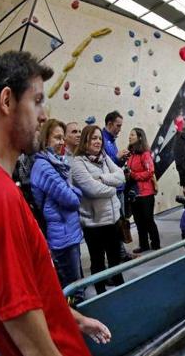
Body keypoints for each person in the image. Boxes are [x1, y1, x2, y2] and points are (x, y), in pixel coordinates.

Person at [0, 51, 110, 356]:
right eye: (36, 101)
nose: (45, 115)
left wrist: (73, 319)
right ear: (7, 102)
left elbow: (28, 295)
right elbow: (26, 333)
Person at [31, 119, 85, 303]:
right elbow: (71, 199)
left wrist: (71, 191)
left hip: (68, 230)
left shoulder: (56, 162)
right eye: (57, 137)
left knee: (77, 282)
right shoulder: (44, 166)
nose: (62, 142)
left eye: (63, 138)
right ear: (45, 139)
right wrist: (77, 192)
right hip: (62, 236)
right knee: (73, 289)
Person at [71, 125, 126, 294]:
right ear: (85, 140)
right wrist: (113, 188)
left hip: (113, 219)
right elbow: (92, 190)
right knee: (98, 263)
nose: (97, 141)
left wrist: (102, 178)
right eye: (93, 138)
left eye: (100, 138)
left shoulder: (104, 157)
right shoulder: (77, 162)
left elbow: (121, 176)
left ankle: (122, 291)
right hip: (94, 224)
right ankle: (101, 295)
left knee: (116, 260)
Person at [102, 110, 133, 262]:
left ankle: (121, 252)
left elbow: (114, 165)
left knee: (120, 222)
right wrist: (116, 158)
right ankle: (118, 254)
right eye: (118, 126)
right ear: (109, 124)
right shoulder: (103, 140)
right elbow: (105, 166)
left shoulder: (111, 140)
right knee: (115, 223)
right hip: (112, 188)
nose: (120, 129)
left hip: (119, 187)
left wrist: (121, 160)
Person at [126, 127, 160, 253]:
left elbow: (150, 172)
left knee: (148, 219)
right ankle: (144, 244)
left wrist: (134, 175)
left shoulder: (145, 154)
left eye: (132, 135)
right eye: (130, 135)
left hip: (146, 193)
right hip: (135, 194)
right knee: (138, 221)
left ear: (140, 137)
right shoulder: (132, 155)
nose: (130, 137)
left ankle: (155, 243)